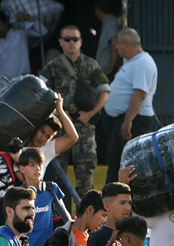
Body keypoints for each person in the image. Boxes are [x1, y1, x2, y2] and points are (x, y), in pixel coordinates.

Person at [40, 25, 110, 195]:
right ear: (61, 42)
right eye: (67, 39)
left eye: (75, 39)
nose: (71, 43)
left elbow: (105, 92)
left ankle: (86, 215)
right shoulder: (52, 67)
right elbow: (40, 92)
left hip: (84, 127)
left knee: (85, 174)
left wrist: (90, 114)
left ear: (80, 42)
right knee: (56, 174)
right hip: (59, 128)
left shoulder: (90, 65)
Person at [103, 28, 160, 183]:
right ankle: (111, 199)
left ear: (125, 43)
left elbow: (140, 94)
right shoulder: (132, 63)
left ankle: (135, 202)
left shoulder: (143, 62)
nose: (116, 47)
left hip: (135, 120)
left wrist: (128, 121)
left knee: (135, 166)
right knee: (116, 164)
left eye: (118, 44)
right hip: (123, 120)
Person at [18, 148, 67, 246]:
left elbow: (65, 215)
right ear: (22, 168)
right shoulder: (18, 195)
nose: (38, 168)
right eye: (32, 165)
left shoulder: (51, 188)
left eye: (40, 164)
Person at [23, 95, 78, 174]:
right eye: (42, 131)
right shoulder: (18, 142)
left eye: (48, 137)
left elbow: (72, 137)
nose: (42, 138)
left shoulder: (46, 150)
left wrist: (60, 110)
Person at [0, 11, 46, 79]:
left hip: (22, 79)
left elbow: (43, 32)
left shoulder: (20, 33)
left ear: (5, 23)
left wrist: (28, 19)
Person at [95, 0, 123, 79]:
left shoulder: (111, 22)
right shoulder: (109, 22)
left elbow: (114, 41)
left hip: (107, 72)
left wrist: (111, 67)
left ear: (98, 10)